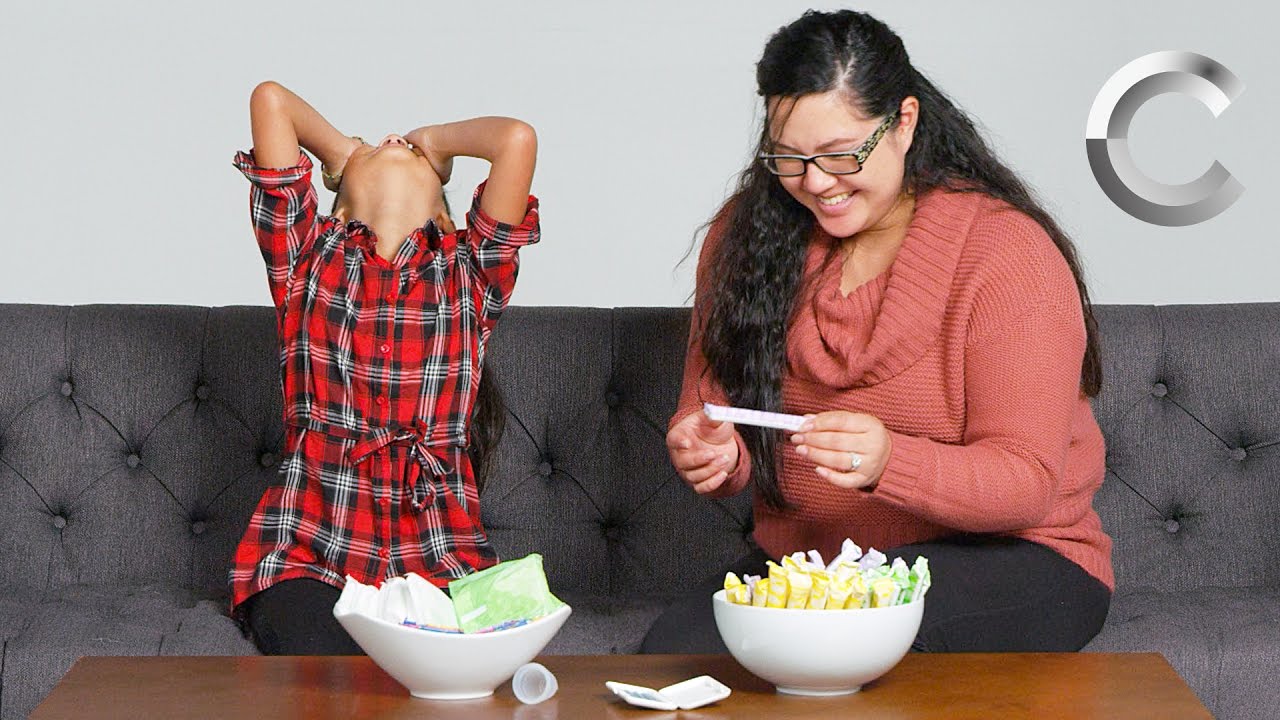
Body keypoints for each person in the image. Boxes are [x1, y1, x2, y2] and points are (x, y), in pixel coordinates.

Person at [643, 9, 1111, 654]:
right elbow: (711, 410)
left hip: (1017, 557)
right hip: (823, 570)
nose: (815, 182)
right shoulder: (744, 239)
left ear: (904, 122)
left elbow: (1026, 484)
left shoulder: (1004, 252)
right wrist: (715, 454)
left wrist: (891, 462)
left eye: (842, 155)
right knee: (672, 655)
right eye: (789, 157)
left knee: (843, 642)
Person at [229, 81, 539, 654]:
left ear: (444, 217)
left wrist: (434, 141)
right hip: (311, 551)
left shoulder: (469, 276)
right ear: (340, 206)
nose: (395, 141)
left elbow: (515, 140)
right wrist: (344, 152)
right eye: (379, 147)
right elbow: (271, 100)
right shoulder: (305, 259)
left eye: (411, 155)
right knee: (326, 667)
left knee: (456, 668)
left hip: (441, 560)